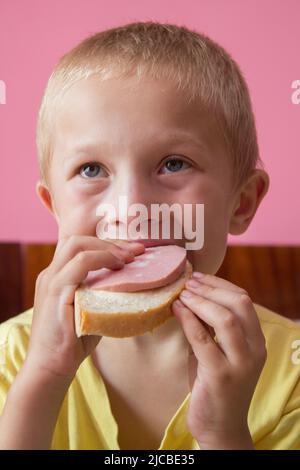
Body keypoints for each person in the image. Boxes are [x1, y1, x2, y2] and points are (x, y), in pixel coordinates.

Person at [0, 21, 299, 450]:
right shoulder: (11, 355)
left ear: (242, 202)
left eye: (173, 163)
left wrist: (223, 433)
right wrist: (43, 378)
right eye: (92, 170)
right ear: (55, 208)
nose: (132, 208)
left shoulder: (291, 373)